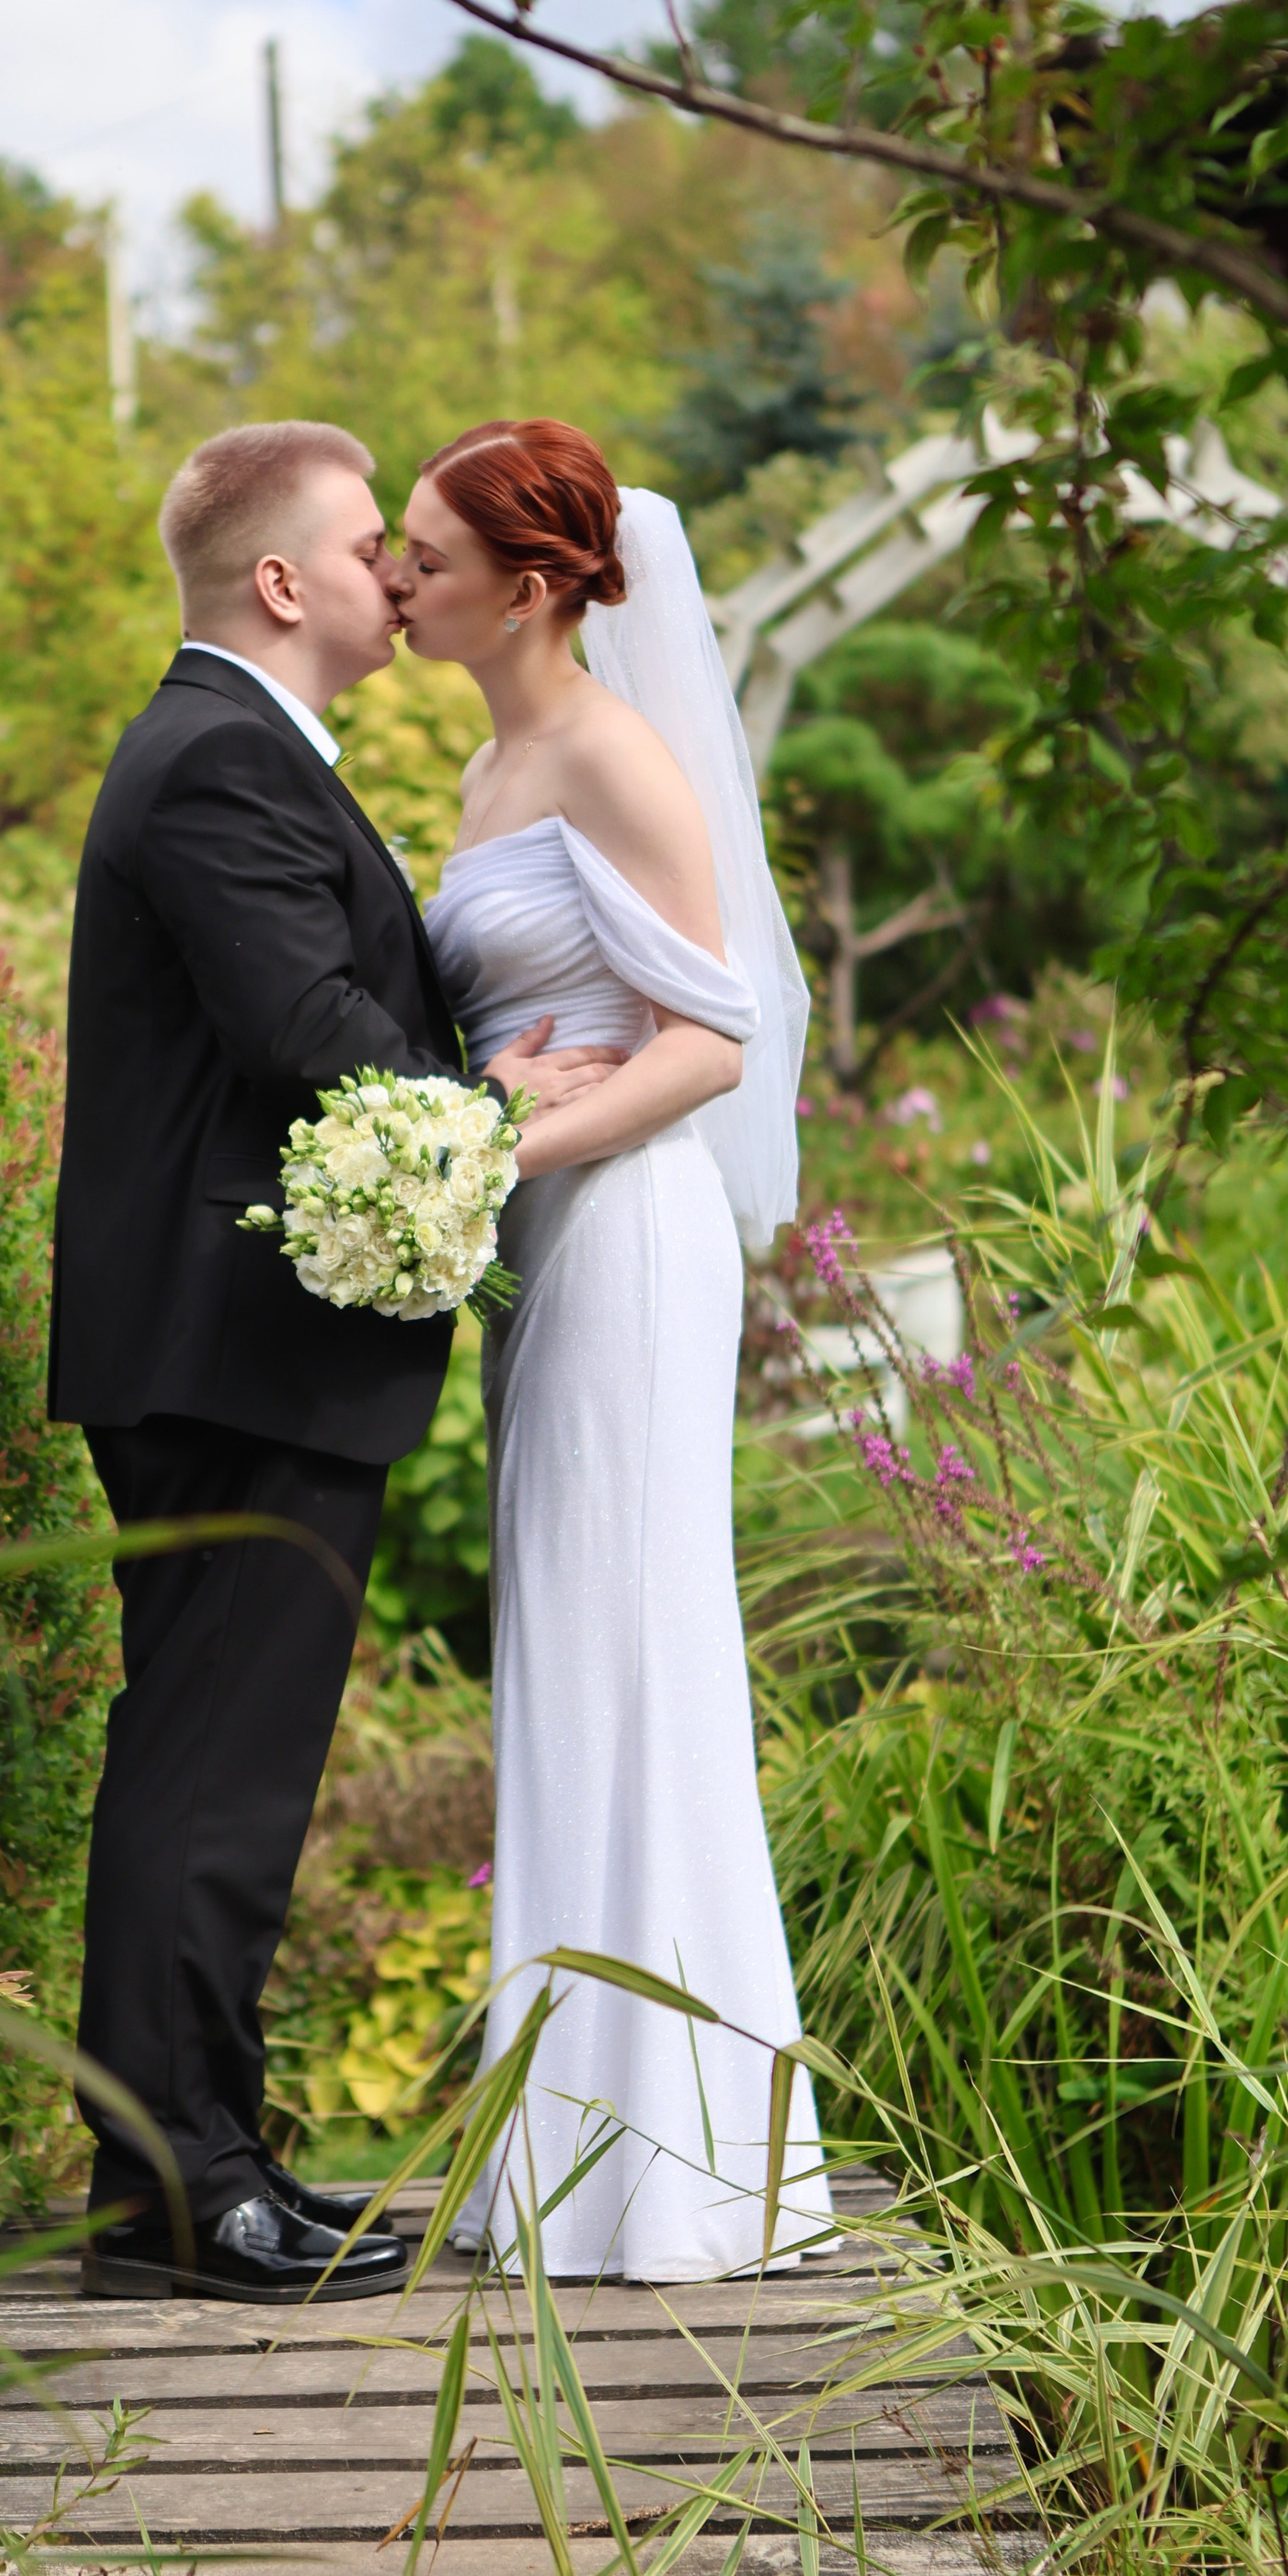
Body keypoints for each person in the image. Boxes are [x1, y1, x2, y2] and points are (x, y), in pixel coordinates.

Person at [49, 420, 621, 2303]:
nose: (395, 570)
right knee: (207, 1778)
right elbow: (304, 1026)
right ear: (280, 583)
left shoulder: (248, 751)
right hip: (227, 1348)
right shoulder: (217, 758)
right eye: (371, 543)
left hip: (238, 1346)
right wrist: (490, 1093)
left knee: (217, 1770)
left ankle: (208, 2157)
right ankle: (174, 2190)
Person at [398, 419, 840, 2281]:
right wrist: (479, 1114)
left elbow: (707, 1043)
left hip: (632, 1242)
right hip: (550, 1237)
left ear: (527, 578)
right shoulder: (497, 759)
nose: (394, 576)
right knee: (566, 1655)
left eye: (420, 552)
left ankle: (679, 2169)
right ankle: (578, 2148)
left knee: (634, 1651)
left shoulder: (608, 754)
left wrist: (477, 1151)